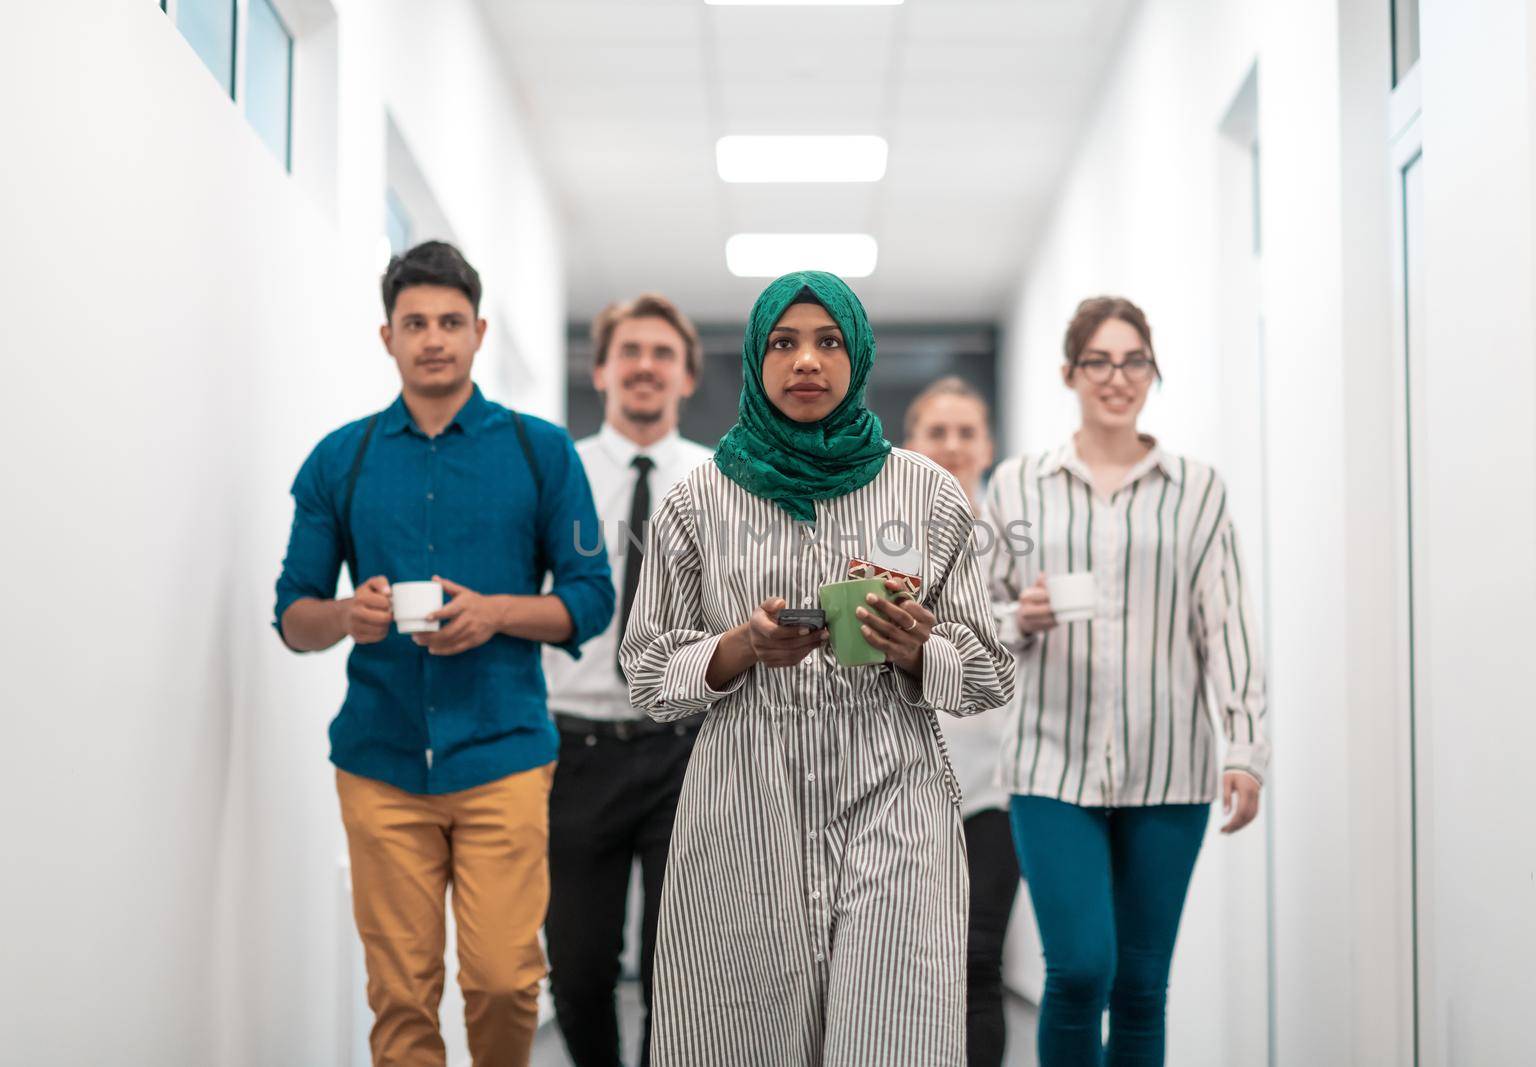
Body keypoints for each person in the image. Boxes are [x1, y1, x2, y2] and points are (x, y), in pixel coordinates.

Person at [618, 271, 1016, 1066]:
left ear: (858, 355)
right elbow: (647, 672)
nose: (807, 360)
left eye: (829, 341)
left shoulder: (928, 494)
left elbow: (988, 673)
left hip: (893, 796)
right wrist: (739, 647)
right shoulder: (696, 502)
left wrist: (915, 647)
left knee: (891, 1036)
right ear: (757, 362)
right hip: (742, 803)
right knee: (740, 1037)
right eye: (784, 342)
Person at [272, 241, 613, 1067]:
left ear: (479, 331)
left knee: (502, 980)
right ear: (386, 336)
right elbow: (292, 614)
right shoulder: (339, 459)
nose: (434, 338)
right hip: (379, 760)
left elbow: (592, 597)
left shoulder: (541, 451)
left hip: (502, 754)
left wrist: (496, 612)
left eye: (450, 322)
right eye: (415, 322)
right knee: (400, 995)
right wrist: (348, 614)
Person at [986, 296, 1268, 1066]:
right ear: (1070, 373)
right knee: (1079, 970)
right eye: (1099, 361)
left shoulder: (1198, 490)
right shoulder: (1016, 485)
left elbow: (1227, 623)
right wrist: (1022, 617)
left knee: (1142, 984)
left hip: (1169, 766)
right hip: (1050, 765)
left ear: (1152, 370)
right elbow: (973, 609)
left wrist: (1244, 747)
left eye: (1134, 360)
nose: (1119, 377)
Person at [541, 293, 713, 1067]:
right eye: (631, 350)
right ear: (602, 368)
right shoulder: (556, 472)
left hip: (687, 749)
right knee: (577, 970)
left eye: (663, 354)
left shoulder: (719, 480)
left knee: (679, 967)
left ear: (686, 377)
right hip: (573, 749)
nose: (646, 365)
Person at [902, 376, 1019, 1067]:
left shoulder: (1015, 540)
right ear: (910, 444)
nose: (951, 445)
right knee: (899, 969)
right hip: (900, 782)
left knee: (978, 960)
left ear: (988, 446)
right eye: (936, 432)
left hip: (993, 787)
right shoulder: (879, 538)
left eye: (965, 432)